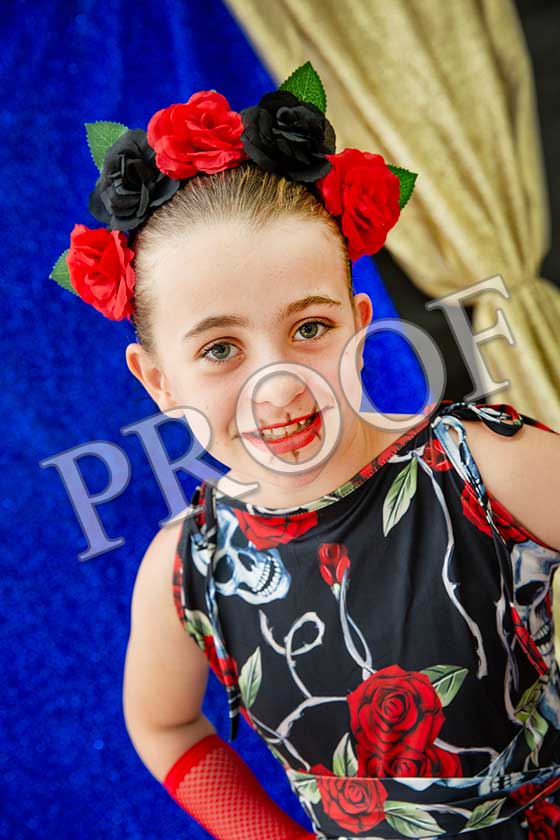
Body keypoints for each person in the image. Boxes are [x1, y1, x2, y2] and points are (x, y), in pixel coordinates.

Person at [52, 63, 560, 839]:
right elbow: (163, 725)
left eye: (310, 329)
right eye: (220, 349)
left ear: (359, 325)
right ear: (157, 381)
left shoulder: (485, 466)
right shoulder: (188, 571)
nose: (279, 384)